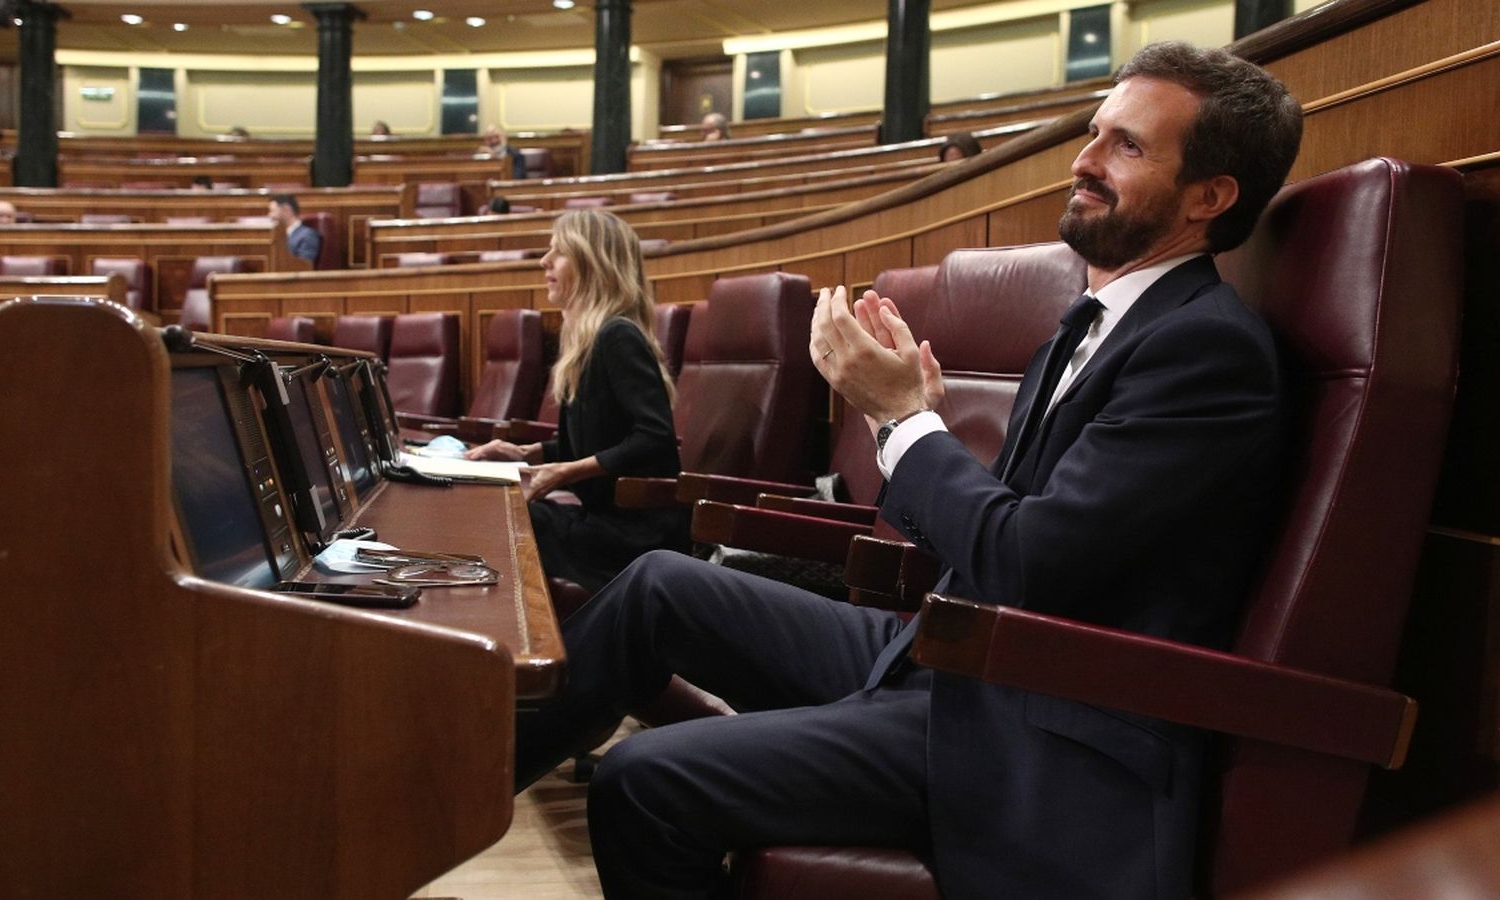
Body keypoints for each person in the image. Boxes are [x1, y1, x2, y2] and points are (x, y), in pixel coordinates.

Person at [514, 41, 1303, 899]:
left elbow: (1029, 562)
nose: (1083, 158)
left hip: (1026, 724)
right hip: (937, 657)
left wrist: (903, 420)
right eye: (1095, 132)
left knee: (643, 780)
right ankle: (428, 805)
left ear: (1210, 196)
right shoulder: (1088, 326)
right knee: (656, 585)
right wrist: (901, 426)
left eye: (1128, 145)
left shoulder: (1207, 349)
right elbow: (997, 527)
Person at [466, 209, 686, 592]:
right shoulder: (587, 342)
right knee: (500, 504)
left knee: (509, 515)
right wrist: (526, 453)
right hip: (605, 523)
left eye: (560, 251)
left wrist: (564, 472)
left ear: (592, 264)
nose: (544, 261)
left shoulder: (617, 336)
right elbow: (592, 445)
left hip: (637, 538)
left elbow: (655, 438)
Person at [268, 194, 320, 264]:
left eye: (273, 211)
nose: (270, 216)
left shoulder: (307, 235)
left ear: (286, 210)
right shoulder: (278, 236)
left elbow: (305, 266)